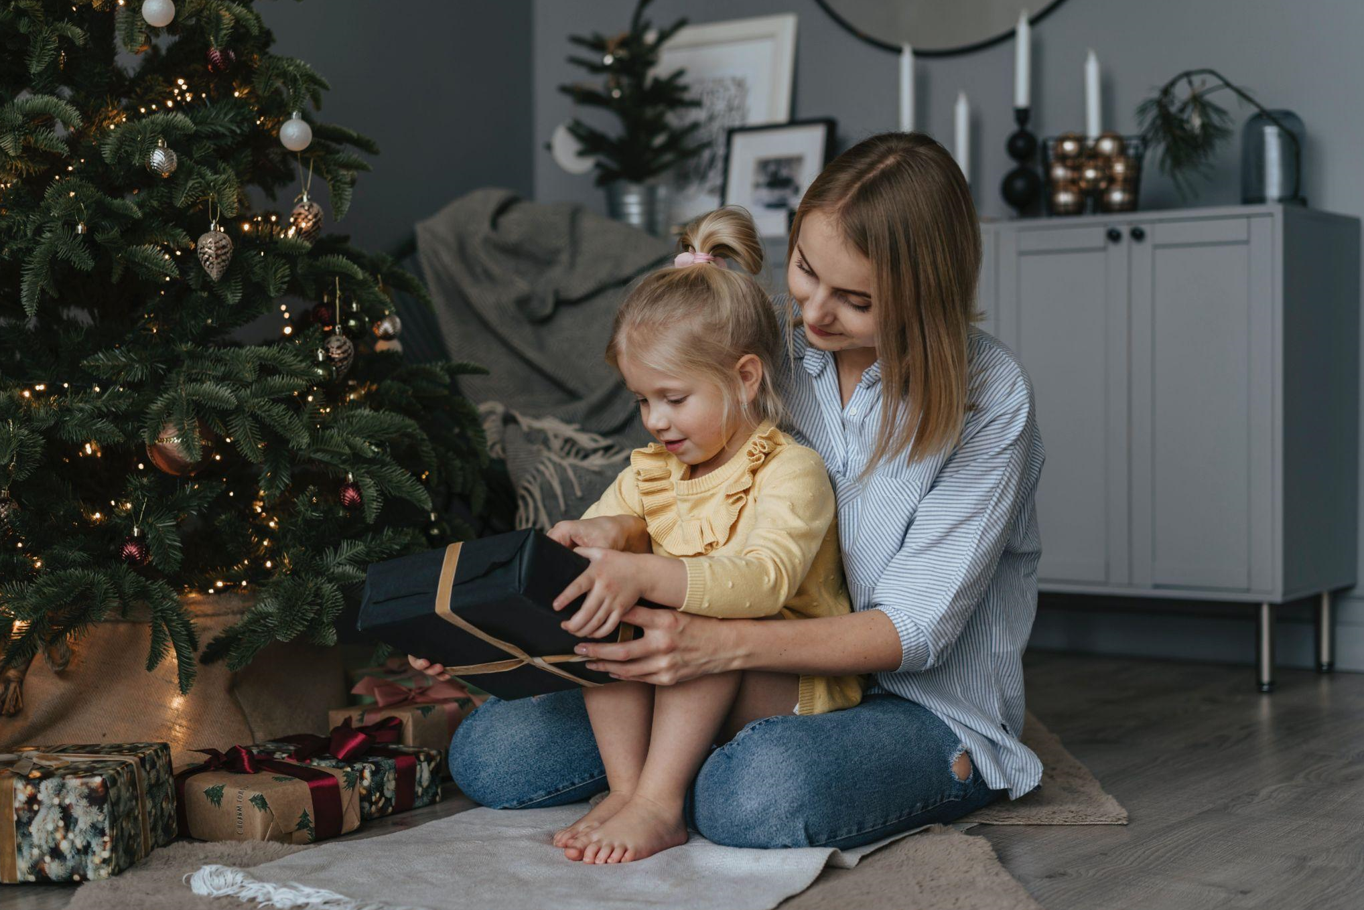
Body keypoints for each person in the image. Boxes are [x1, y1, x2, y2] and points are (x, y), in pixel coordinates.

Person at [420, 131, 1046, 854]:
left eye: (856, 300)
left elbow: (914, 630)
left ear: (924, 298)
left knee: (758, 794)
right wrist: (610, 544)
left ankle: (691, 780)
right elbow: (673, 484)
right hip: (750, 668)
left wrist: (715, 645)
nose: (814, 314)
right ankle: (660, 780)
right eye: (806, 271)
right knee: (494, 752)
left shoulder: (989, 397)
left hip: (918, 703)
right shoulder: (766, 350)